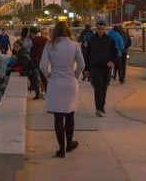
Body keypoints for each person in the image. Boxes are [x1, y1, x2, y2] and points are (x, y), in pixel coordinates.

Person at [39, 21, 85, 158]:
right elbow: (82, 65)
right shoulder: (74, 44)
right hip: (70, 81)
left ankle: (61, 149)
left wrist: (49, 76)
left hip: (55, 82)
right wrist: (74, 76)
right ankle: (69, 144)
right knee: (70, 114)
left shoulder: (50, 45)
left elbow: (42, 65)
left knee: (58, 116)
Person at [87, 21, 117, 117]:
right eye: (99, 29)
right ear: (96, 29)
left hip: (105, 68)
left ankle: (102, 107)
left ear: (105, 29)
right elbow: (87, 55)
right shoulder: (91, 40)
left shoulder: (110, 40)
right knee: (97, 88)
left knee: (104, 88)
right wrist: (86, 69)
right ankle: (98, 108)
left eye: (102, 29)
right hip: (95, 67)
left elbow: (114, 52)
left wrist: (112, 61)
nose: (100, 31)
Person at [29, 26, 48, 100]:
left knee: (36, 78)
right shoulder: (45, 39)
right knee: (44, 78)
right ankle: (47, 93)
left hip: (35, 61)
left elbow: (29, 49)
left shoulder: (33, 40)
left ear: (32, 33)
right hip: (43, 61)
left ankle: (38, 94)